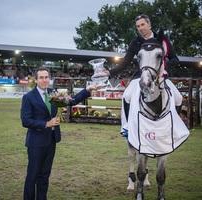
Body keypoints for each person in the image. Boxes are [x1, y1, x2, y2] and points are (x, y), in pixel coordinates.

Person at [108, 14, 180, 191]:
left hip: (160, 78)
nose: (140, 28)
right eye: (137, 25)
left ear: (149, 24)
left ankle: (173, 126)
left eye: (142, 24)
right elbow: (125, 62)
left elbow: (175, 60)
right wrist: (110, 71)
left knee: (178, 98)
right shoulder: (136, 42)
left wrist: (162, 70)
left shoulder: (162, 39)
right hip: (140, 78)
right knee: (127, 96)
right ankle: (128, 127)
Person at [21, 67, 96, 200]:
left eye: (46, 77)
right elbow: (26, 120)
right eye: (41, 77)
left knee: (44, 175)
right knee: (32, 175)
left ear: (49, 79)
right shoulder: (28, 97)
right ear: (36, 80)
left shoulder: (52, 94)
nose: (44, 80)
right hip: (36, 143)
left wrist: (87, 90)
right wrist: (46, 124)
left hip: (51, 141)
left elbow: (71, 101)